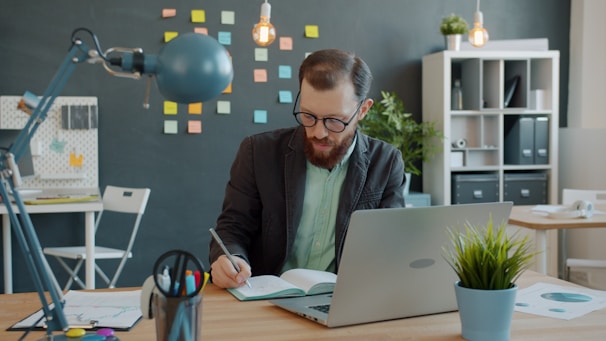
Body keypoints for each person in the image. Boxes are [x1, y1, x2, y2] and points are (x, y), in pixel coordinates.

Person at [209, 49, 406, 288]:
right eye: (308, 116)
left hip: (342, 301)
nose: (318, 132)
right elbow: (232, 228)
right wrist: (229, 258)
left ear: (363, 110)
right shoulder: (257, 152)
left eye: (334, 120)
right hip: (266, 300)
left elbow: (391, 247)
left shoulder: (386, 163)